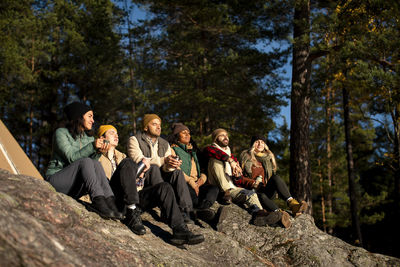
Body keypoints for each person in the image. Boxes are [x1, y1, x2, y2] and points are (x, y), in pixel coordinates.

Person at [97, 125, 204, 245]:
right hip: (112, 198)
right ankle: (131, 213)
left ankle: (179, 229)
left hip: (131, 197)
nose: (116, 135)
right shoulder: (97, 156)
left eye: (117, 133)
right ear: (101, 137)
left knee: (165, 187)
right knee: (129, 163)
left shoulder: (121, 156)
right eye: (112, 133)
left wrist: (140, 175)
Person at [45, 102, 123, 220]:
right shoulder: (61, 133)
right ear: (79, 116)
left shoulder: (89, 138)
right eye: (90, 116)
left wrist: (98, 152)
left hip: (74, 187)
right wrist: (92, 146)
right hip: (57, 181)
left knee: (95, 163)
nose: (93, 120)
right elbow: (71, 158)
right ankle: (98, 201)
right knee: (85, 161)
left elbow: (90, 166)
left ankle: (110, 203)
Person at [204, 128, 290, 228]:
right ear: (215, 138)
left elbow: (239, 181)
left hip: (234, 189)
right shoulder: (210, 150)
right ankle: (225, 191)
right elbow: (213, 152)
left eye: (226, 135)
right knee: (216, 161)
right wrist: (230, 161)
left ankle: (261, 215)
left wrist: (237, 176)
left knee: (251, 195)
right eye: (222, 135)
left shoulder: (232, 156)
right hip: (218, 188)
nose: (225, 137)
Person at [127, 114, 194, 223]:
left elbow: (165, 169)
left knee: (177, 173)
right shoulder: (134, 140)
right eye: (154, 124)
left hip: (160, 179)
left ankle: (185, 211)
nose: (159, 127)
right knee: (153, 168)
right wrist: (164, 160)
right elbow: (139, 160)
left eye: (160, 125)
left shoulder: (164, 143)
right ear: (145, 127)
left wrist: (171, 164)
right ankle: (165, 208)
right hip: (144, 180)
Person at [168, 123, 227, 229]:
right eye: (183, 133)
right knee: (191, 193)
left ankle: (200, 211)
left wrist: (201, 181)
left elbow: (203, 170)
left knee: (213, 189)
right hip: (184, 183)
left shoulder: (194, 151)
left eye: (189, 133)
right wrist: (191, 182)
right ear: (177, 136)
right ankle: (208, 217)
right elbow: (177, 170)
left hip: (197, 184)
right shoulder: (172, 149)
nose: (187, 135)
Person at [239, 135, 308, 216]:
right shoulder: (245, 156)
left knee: (275, 177)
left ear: (265, 145)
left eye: (262, 142)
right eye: (257, 142)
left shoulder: (268, 158)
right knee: (261, 196)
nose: (260, 144)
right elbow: (239, 177)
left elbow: (271, 177)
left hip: (266, 190)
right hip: (252, 192)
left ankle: (293, 205)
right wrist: (253, 183)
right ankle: (280, 214)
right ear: (253, 144)